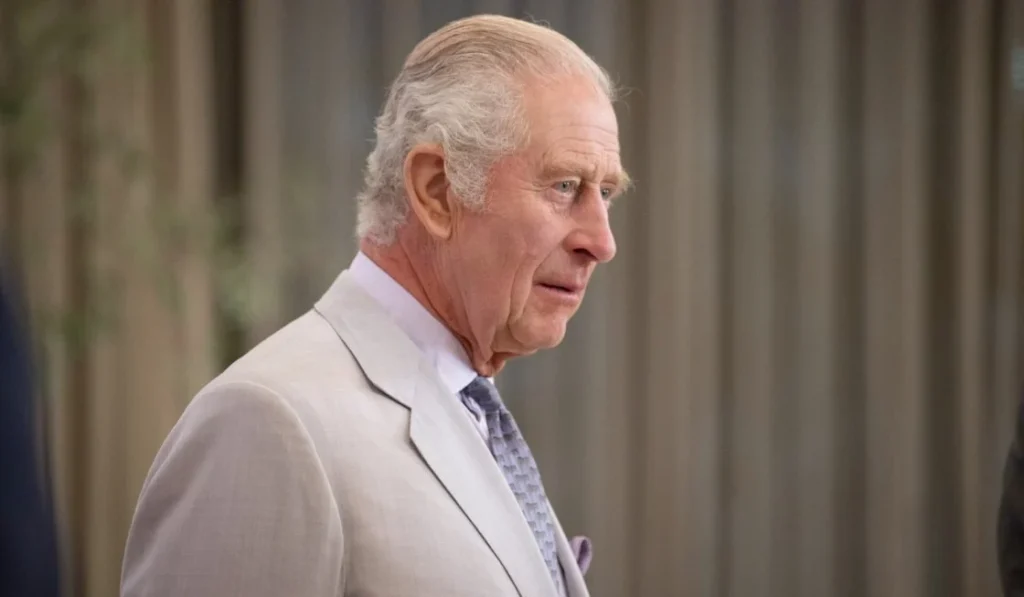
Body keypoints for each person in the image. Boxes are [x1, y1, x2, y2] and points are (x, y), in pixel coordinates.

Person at [120, 14, 627, 597]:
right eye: (565, 186)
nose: (602, 242)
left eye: (605, 193)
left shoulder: (473, 406)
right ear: (438, 192)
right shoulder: (265, 421)